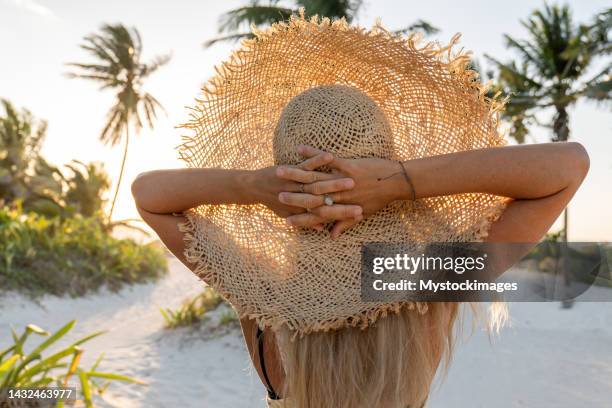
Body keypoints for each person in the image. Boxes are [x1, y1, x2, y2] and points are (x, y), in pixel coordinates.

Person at [131, 14, 589, 408]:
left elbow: (149, 195)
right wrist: (396, 181)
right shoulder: (427, 282)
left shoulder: (264, 300)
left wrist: (252, 186)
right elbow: (568, 165)